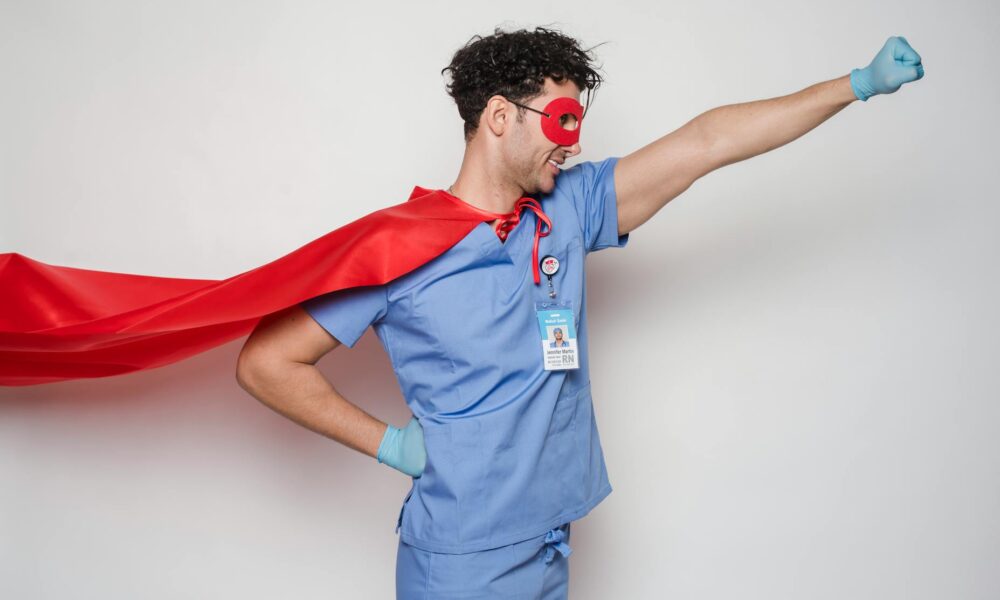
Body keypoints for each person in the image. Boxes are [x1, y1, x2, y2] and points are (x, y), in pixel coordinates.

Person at [235, 26, 924, 599]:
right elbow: (267, 362)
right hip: (462, 564)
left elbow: (707, 141)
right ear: (500, 118)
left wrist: (855, 85)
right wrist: (390, 444)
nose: (574, 143)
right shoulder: (397, 246)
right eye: (563, 121)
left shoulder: (567, 209)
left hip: (550, 547)